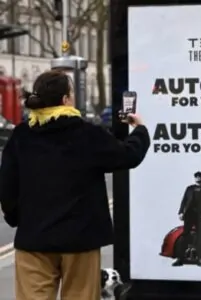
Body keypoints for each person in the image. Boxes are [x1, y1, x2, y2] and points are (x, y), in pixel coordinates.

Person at [0, 70, 150, 300]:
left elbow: (7, 185)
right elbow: (127, 155)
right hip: (81, 239)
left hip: (34, 239)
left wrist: (18, 218)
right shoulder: (87, 134)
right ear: (65, 99)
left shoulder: (21, 136)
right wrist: (139, 130)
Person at [173, 171, 201, 267]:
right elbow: (184, 200)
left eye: (199, 176)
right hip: (189, 214)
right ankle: (180, 259)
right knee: (185, 236)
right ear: (195, 178)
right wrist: (180, 212)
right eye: (196, 176)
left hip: (200, 215)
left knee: (200, 237)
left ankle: (200, 259)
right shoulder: (189, 188)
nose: (198, 178)